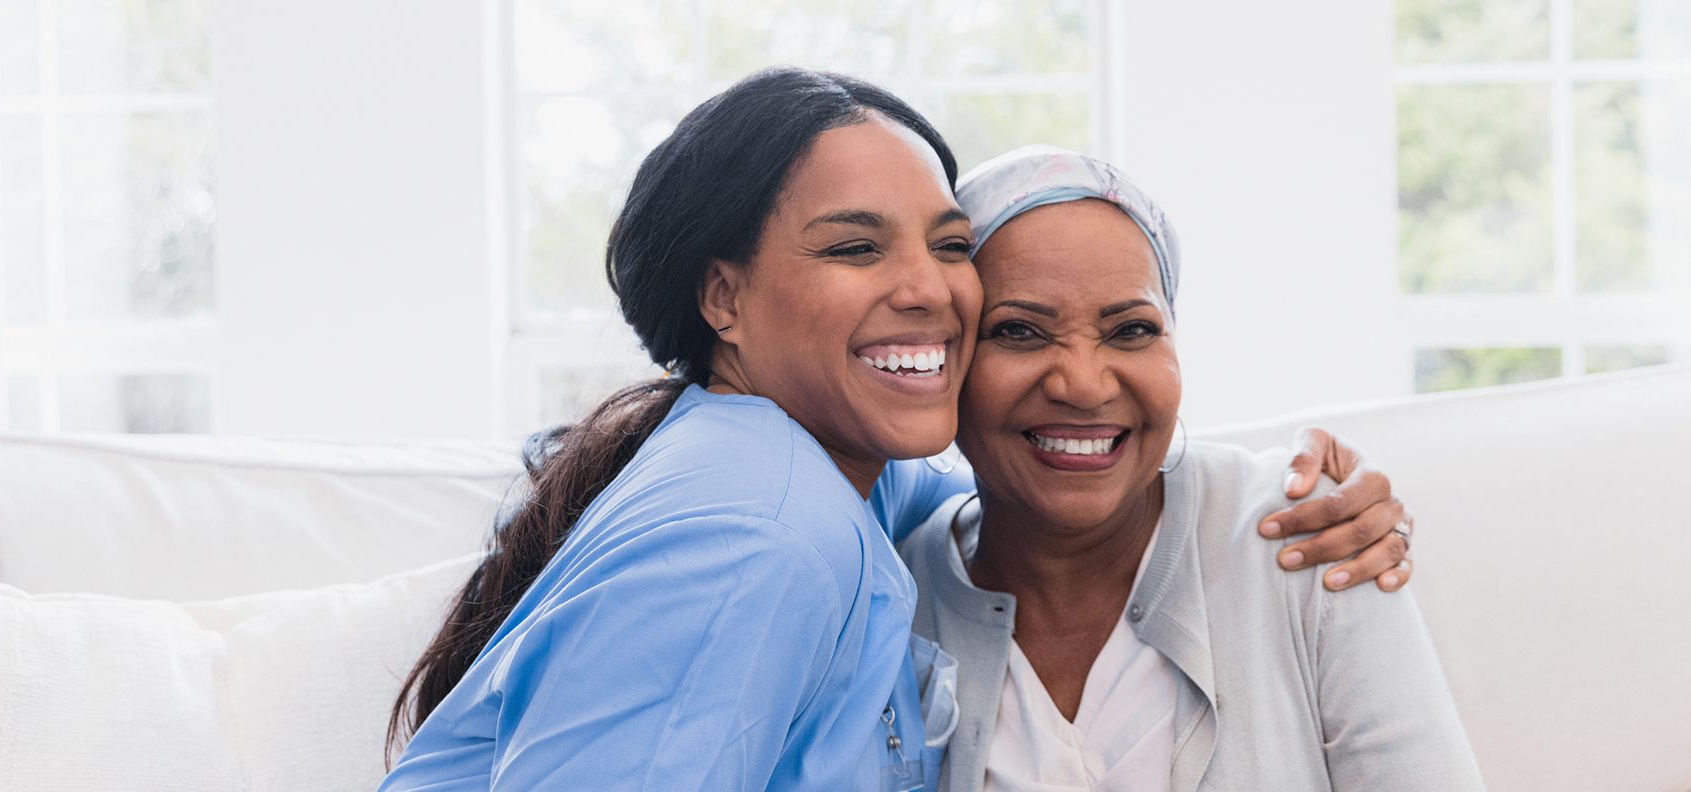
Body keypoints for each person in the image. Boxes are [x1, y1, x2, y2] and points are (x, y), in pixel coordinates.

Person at [383, 68, 1412, 791]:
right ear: (722, 296)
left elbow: (1039, 466)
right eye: (854, 248)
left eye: (947, 244)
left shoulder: (852, 478)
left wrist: (1285, 486)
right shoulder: (756, 532)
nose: (926, 287)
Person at [896, 146, 1484, 790]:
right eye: (1019, 332)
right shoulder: (891, 602)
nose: (1085, 385)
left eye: (1131, 331)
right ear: (943, 360)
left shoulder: (1311, 534)